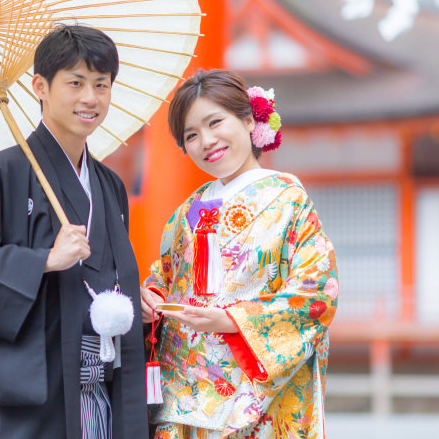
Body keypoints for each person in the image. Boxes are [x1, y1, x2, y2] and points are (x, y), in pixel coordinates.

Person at [0, 24, 148, 439]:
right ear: (40, 87)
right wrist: (44, 260)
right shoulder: (1, 173)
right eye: (75, 82)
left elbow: (103, 271)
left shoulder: (109, 184)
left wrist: (129, 293)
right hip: (37, 398)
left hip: (100, 389)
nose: (90, 98)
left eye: (101, 84)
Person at [140, 69, 338, 439]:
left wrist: (232, 320)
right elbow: (164, 276)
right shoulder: (186, 213)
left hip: (251, 395)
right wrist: (151, 298)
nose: (206, 141)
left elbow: (316, 294)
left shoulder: (287, 200)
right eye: (191, 135)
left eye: (215, 122)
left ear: (249, 120)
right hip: (183, 393)